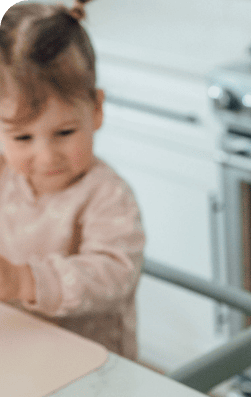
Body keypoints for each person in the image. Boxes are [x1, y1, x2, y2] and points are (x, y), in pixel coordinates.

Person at [0, 0, 144, 360]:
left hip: (94, 368)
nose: (47, 157)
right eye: (22, 138)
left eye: (64, 132)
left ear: (96, 110)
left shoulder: (107, 195)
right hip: (23, 349)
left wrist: (23, 281)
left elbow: (114, 275)